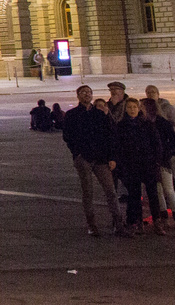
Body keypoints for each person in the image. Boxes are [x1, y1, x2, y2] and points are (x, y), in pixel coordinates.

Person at [62, 84, 120, 237]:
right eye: (83, 92)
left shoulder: (99, 114)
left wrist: (111, 157)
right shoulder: (72, 115)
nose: (87, 95)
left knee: (110, 190)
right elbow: (68, 136)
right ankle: (92, 224)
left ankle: (118, 223)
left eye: (89, 92)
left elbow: (110, 135)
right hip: (84, 158)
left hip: (101, 158)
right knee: (88, 191)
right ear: (78, 96)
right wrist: (77, 154)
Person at [114, 95, 165, 236]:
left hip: (148, 164)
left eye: (134, 107)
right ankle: (134, 222)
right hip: (131, 166)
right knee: (134, 196)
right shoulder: (121, 126)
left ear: (139, 109)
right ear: (125, 109)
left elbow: (157, 144)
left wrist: (156, 161)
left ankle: (157, 222)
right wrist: (122, 165)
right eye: (129, 107)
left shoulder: (147, 124)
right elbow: (118, 147)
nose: (132, 110)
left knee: (153, 194)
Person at [144, 97, 175, 231]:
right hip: (150, 162)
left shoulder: (162, 123)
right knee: (158, 191)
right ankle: (164, 217)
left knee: (168, 190)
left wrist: (164, 151)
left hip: (163, 161)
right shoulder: (144, 124)